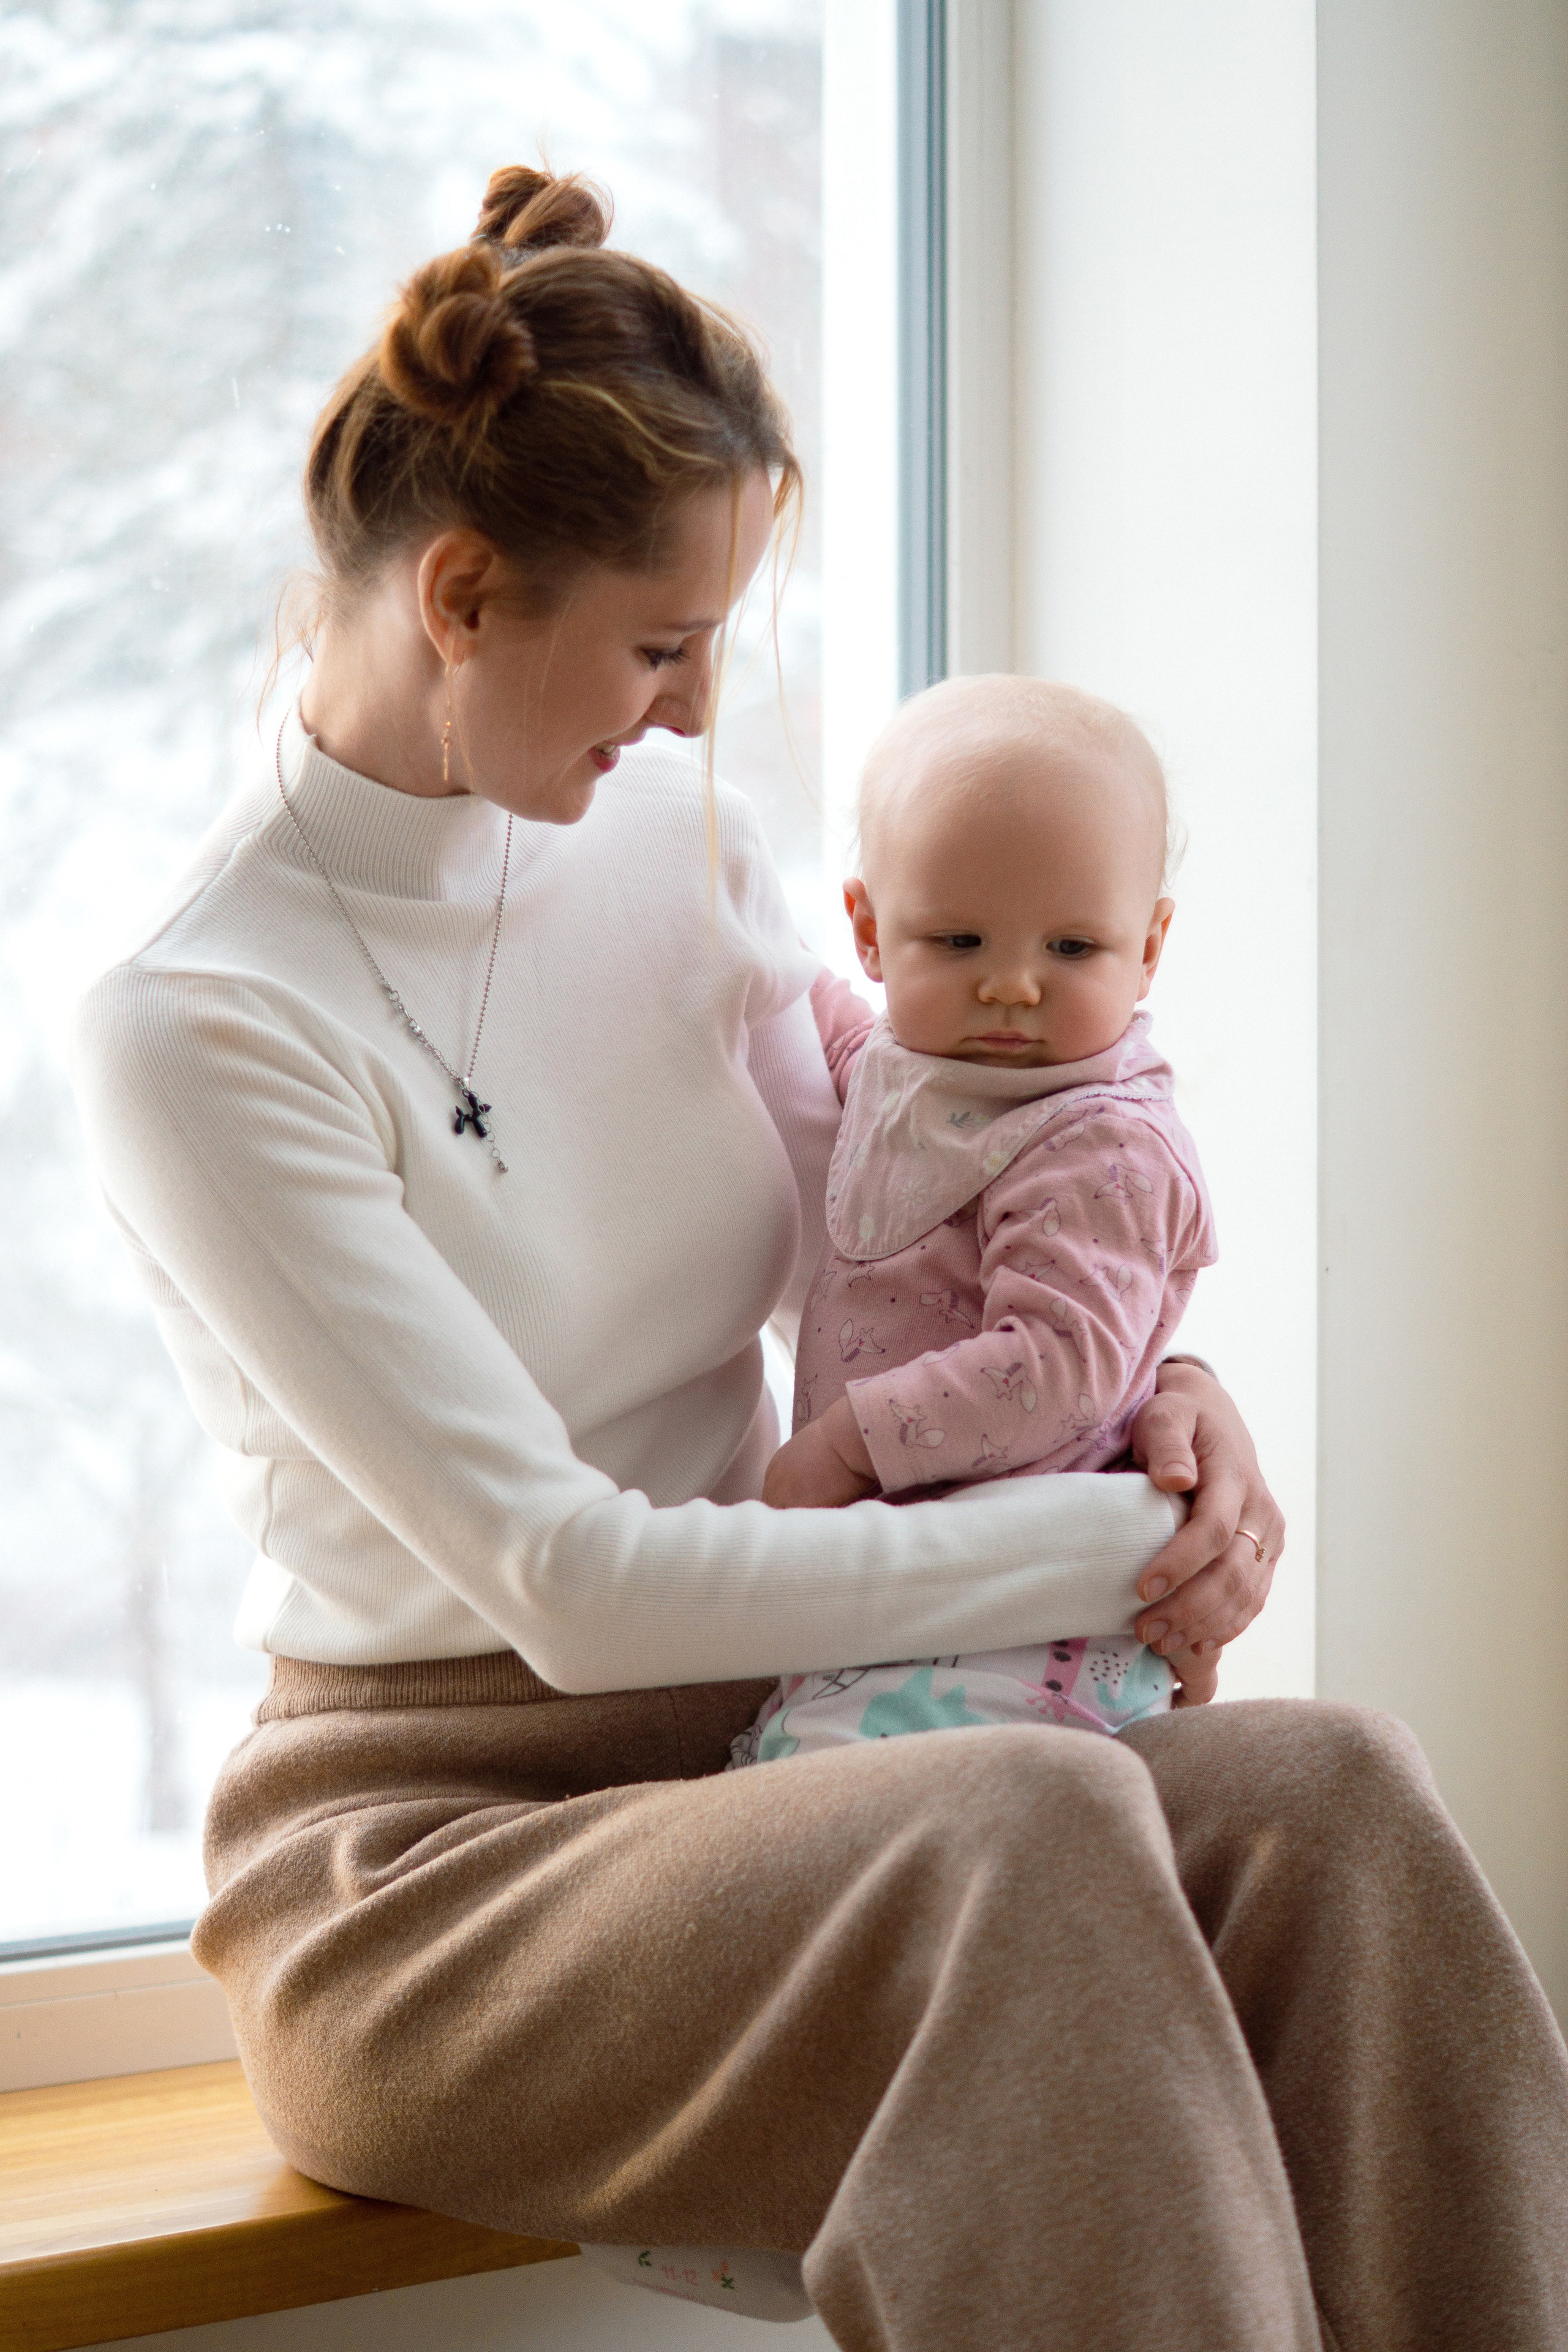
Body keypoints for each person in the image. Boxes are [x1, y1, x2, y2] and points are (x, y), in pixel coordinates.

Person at [67, 167, 1568, 2352]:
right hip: (432, 1871)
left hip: (794, 1744)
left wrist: (1171, 1395)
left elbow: (945, 1175)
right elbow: (572, 1590)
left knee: (1335, 1794)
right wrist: (1100, 1549)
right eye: (660, 645)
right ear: (467, 593)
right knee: (1031, 1833)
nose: (690, 717)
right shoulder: (202, 1022)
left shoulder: (671, 843)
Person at [734, 675, 1219, 1773]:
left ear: (1149, 947)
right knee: (804, 1792)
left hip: (1024, 1614)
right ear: (867, 928)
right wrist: (746, 954)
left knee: (840, 1798)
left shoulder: (1101, 1144)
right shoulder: (937, 1073)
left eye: (1071, 949)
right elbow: (859, 1063)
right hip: (920, 1603)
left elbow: (1062, 1365)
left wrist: (853, 1443)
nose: (1011, 986)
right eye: (957, 943)